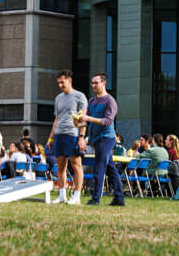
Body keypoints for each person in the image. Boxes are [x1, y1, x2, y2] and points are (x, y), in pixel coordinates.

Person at [82, 72, 124, 206]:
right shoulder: (92, 101)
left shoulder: (110, 101)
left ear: (104, 83)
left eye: (96, 82)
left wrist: (88, 118)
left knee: (99, 167)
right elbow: (85, 119)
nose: (93, 85)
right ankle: (119, 198)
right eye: (92, 83)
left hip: (106, 138)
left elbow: (107, 121)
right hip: (95, 139)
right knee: (110, 168)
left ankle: (95, 199)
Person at [49, 69, 87, 205]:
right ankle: (62, 196)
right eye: (58, 83)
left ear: (69, 81)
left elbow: (83, 119)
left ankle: (76, 196)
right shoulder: (58, 98)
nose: (60, 85)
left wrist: (81, 137)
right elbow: (56, 118)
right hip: (59, 134)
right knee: (60, 166)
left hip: (73, 134)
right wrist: (51, 137)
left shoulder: (80, 96)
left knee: (76, 165)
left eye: (62, 82)